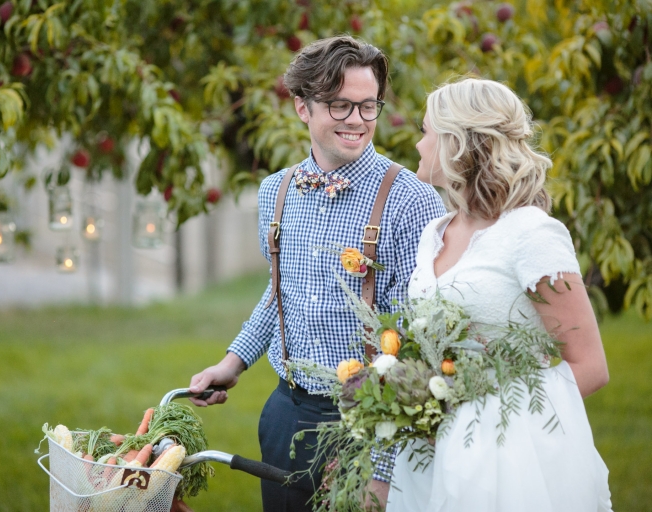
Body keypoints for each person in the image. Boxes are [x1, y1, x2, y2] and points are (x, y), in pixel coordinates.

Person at [188, 35, 446, 511]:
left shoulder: (412, 200)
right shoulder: (276, 191)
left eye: (368, 107)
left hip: (369, 422)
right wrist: (233, 363)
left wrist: (384, 466)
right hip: (285, 413)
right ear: (302, 107)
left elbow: (419, 338)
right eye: (340, 105)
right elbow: (280, 292)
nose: (357, 121)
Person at [386, 77, 612, 512]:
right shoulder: (434, 233)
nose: (417, 144)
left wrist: (485, 422)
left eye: (426, 131)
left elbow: (591, 366)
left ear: (457, 142)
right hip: (428, 456)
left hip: (513, 461)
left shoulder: (531, 234)